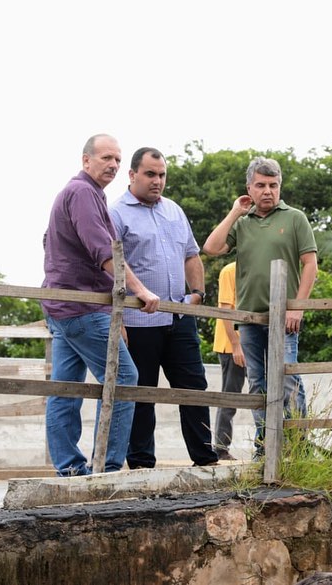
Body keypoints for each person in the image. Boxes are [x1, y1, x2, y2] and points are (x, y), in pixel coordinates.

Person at [41, 134, 160, 477]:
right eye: (106, 157)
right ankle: (105, 467)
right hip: (80, 307)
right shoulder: (81, 193)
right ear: (86, 160)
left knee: (66, 388)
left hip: (66, 305)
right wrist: (141, 291)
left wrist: (111, 310)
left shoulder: (85, 194)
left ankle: (70, 468)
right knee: (125, 377)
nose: (113, 164)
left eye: (118, 160)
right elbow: (104, 252)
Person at [110, 147, 219, 469]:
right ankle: (142, 466)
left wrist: (197, 293)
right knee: (142, 395)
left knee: (194, 389)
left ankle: (206, 460)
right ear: (132, 175)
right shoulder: (116, 213)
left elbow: (191, 254)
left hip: (179, 317)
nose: (157, 181)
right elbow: (110, 266)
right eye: (150, 174)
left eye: (162, 175)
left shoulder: (174, 210)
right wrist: (119, 322)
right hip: (138, 320)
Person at [203, 157, 318, 458]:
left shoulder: (295, 218)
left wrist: (298, 308)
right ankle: (264, 447)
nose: (268, 191)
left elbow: (310, 265)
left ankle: (296, 447)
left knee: (287, 379)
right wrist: (234, 211)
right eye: (261, 185)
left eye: (273, 185)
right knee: (258, 383)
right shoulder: (242, 223)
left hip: (285, 317)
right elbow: (211, 248)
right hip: (250, 318)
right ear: (249, 188)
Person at [212, 261, 247, 461]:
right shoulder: (230, 271)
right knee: (230, 397)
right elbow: (226, 309)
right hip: (231, 344)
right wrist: (236, 344)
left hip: (254, 343)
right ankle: (220, 447)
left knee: (264, 395)